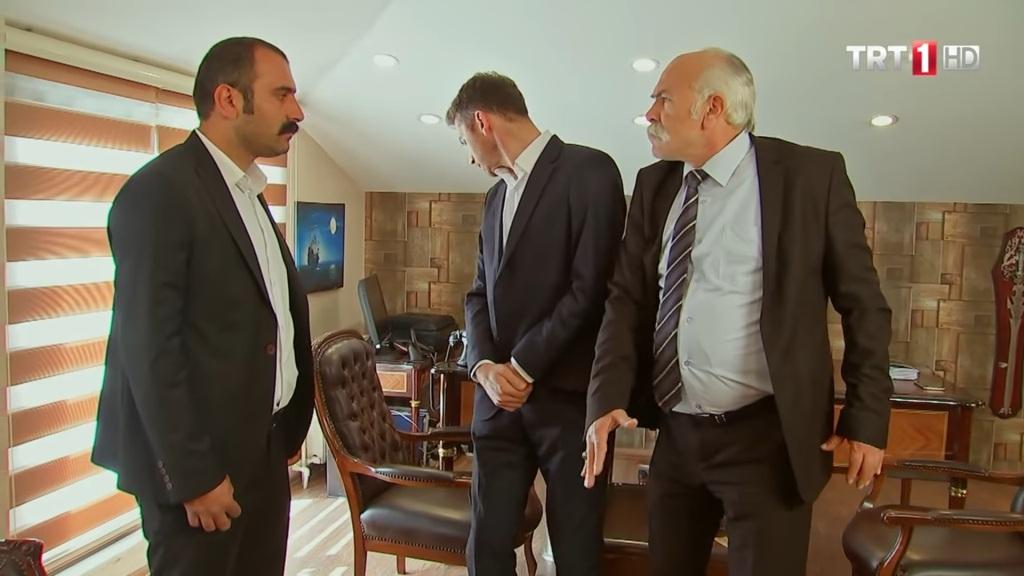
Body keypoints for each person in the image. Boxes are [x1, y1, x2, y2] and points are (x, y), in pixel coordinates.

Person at [582, 48, 893, 576]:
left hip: (767, 441)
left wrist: (867, 415)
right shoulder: (655, 185)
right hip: (677, 436)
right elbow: (626, 300)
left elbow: (863, 303)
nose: (650, 113)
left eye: (663, 99)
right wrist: (606, 396)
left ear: (713, 107)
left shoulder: (809, 177)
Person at [92, 37, 314, 576]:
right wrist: (194, 477)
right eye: (282, 94)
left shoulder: (249, 192)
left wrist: (282, 433)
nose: (297, 111)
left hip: (263, 451)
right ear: (228, 99)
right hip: (202, 470)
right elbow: (148, 349)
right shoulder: (160, 192)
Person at [447, 72, 626, 574]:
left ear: (482, 121)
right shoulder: (494, 198)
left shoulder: (590, 171)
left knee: (576, 552)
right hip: (497, 406)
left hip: (569, 404)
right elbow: (477, 293)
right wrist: (484, 367)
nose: (469, 157)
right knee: (485, 550)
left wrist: (522, 366)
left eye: (464, 140)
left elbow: (591, 289)